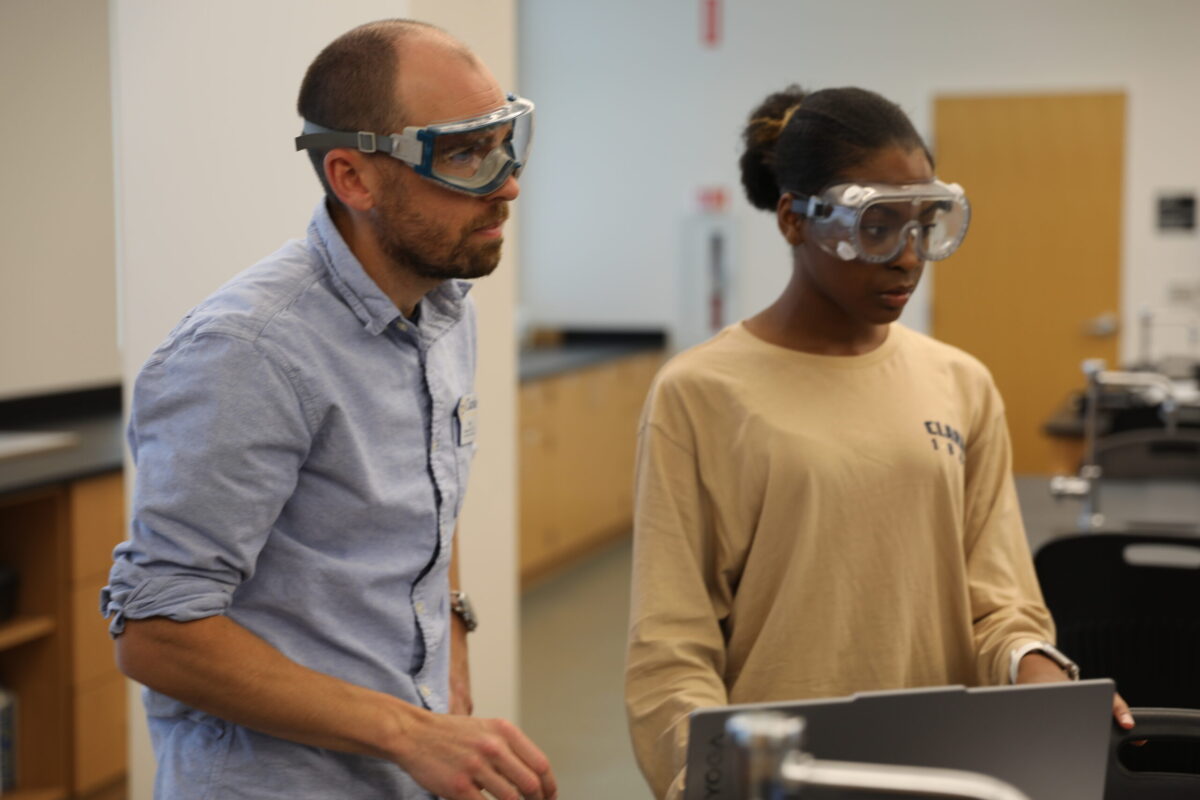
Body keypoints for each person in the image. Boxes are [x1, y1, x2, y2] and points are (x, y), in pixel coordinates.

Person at [623, 84, 1133, 800]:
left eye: (925, 224)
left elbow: (1001, 606)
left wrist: (1043, 688)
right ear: (795, 221)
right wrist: (709, 780)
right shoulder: (701, 393)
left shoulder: (960, 384)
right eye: (877, 226)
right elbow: (670, 649)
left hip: (948, 772)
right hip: (780, 777)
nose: (907, 257)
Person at [102, 19, 556, 800]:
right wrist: (414, 732)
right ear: (352, 178)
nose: (506, 182)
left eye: (506, 139)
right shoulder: (249, 352)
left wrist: (451, 659)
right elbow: (157, 635)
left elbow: (424, 509)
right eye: (463, 154)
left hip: (406, 773)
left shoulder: (445, 307)